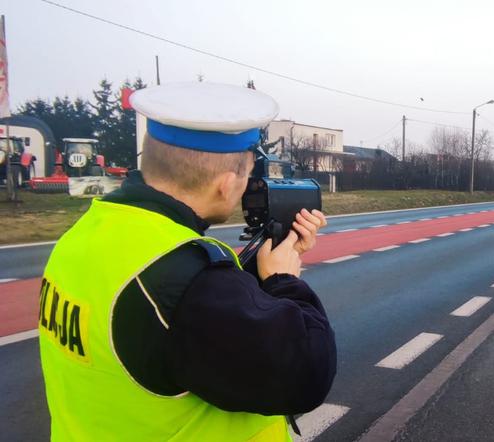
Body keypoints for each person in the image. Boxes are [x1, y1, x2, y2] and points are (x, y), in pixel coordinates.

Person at [38, 82, 337, 441]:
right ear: (226, 184)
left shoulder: (84, 235)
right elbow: (306, 375)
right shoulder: (189, 280)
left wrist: (257, 272)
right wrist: (284, 281)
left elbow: (167, 332)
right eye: (247, 176)